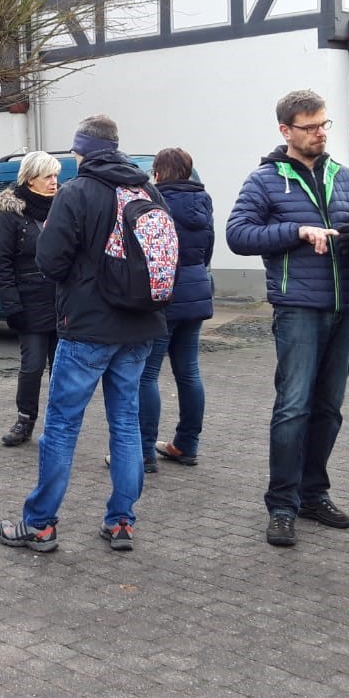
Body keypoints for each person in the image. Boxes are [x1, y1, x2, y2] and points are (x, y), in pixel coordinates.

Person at [0, 114, 168, 554]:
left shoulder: (76, 192)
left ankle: (40, 524)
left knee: (62, 426)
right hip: (140, 326)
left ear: (81, 152)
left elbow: (50, 262)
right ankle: (122, 522)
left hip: (88, 327)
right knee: (126, 424)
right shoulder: (147, 190)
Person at [226, 89, 349, 549]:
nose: (320, 134)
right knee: (293, 408)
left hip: (346, 305)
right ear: (285, 131)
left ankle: (314, 495)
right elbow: (237, 234)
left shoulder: (343, 177)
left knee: (329, 408)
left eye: (324, 124)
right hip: (297, 309)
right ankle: (282, 505)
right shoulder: (265, 180)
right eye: (310, 127)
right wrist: (296, 231)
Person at [140, 147, 214, 470]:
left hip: (165, 295)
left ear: (157, 173)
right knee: (189, 372)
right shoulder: (203, 200)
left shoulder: (154, 201)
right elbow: (208, 248)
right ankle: (186, 445)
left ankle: (143, 452)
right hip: (197, 292)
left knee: (147, 374)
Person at [0, 151, 60, 447]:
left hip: (61, 301)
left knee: (62, 368)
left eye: (56, 176)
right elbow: (1, 263)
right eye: (48, 176)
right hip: (30, 303)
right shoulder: (10, 215)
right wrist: (12, 306)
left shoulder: (62, 208)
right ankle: (25, 420)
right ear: (30, 179)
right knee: (32, 365)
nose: (54, 182)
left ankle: (59, 423)